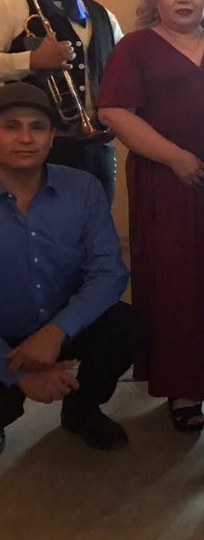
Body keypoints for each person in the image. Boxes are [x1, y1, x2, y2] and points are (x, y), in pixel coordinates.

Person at [97, 0, 204, 434]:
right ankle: (184, 386)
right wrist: (174, 157)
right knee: (178, 283)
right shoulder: (135, 47)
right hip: (165, 181)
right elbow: (114, 112)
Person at [0, 82, 135, 456]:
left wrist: (56, 332)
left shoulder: (83, 188)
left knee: (127, 327)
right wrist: (19, 373)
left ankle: (81, 411)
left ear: (52, 136)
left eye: (37, 127)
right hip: (3, 337)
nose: (25, 138)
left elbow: (109, 272)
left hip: (63, 323)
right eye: (11, 126)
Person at [0, 0, 124, 203]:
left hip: (95, 148)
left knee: (95, 221)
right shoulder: (10, 2)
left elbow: (123, 75)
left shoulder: (104, 15)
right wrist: (31, 60)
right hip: (32, 147)